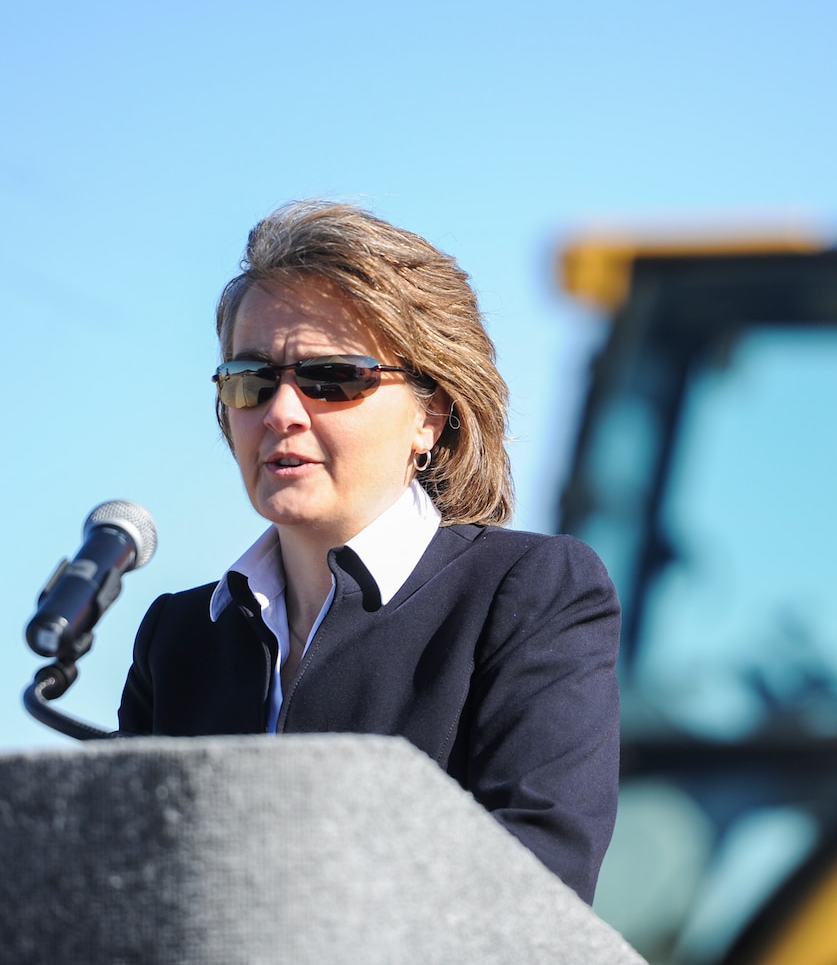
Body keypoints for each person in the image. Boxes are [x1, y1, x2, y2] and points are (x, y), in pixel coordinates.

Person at [117, 200, 621, 902]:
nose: (282, 412)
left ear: (430, 414)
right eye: (250, 379)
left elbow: (539, 880)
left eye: (333, 379)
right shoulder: (178, 639)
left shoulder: (527, 592)